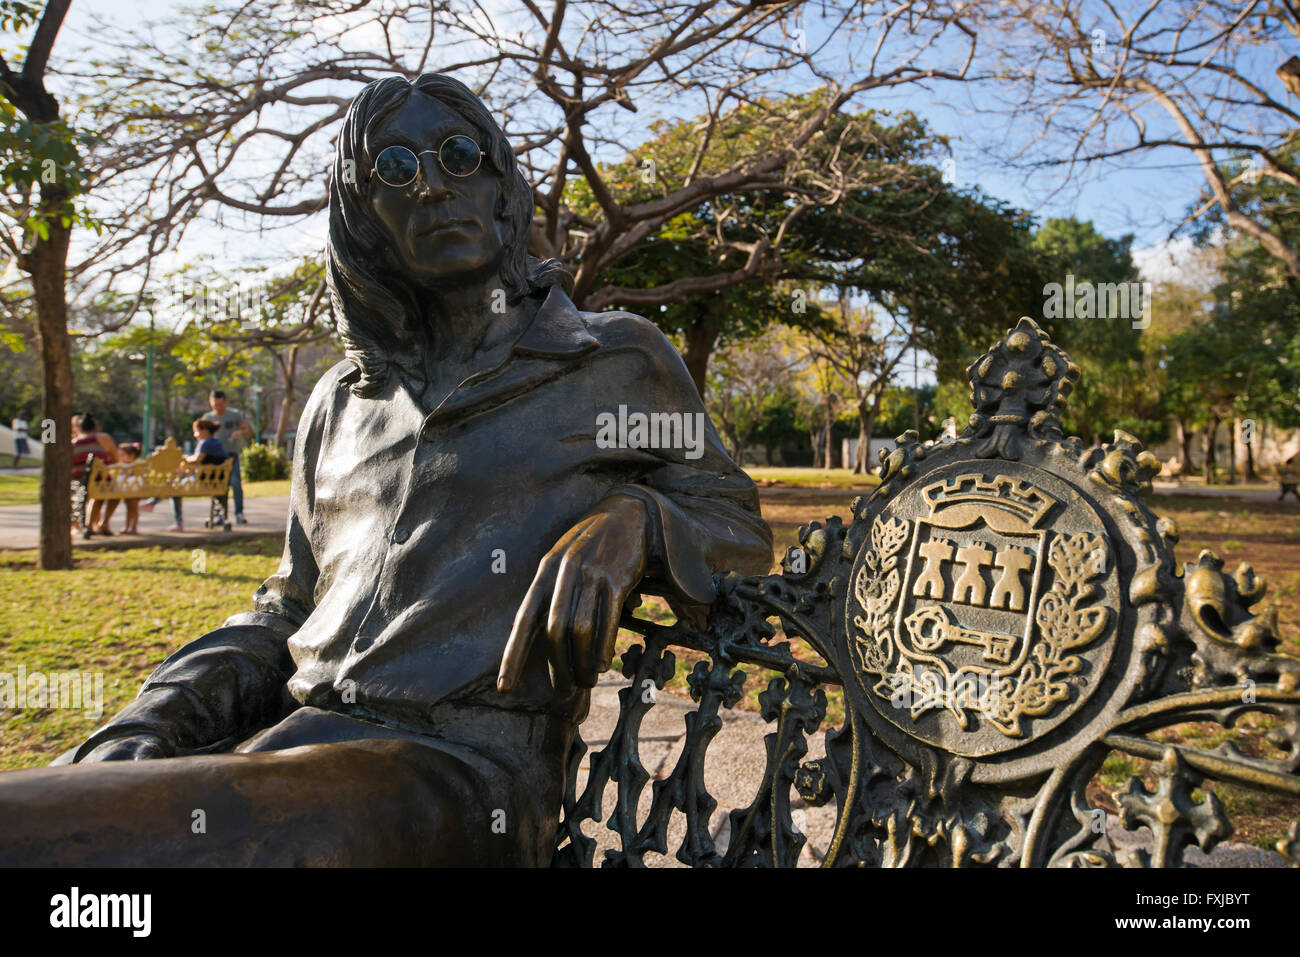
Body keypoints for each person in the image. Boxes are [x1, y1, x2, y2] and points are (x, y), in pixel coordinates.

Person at [0, 73, 772, 867]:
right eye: (394, 171)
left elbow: (737, 524)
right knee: (58, 816)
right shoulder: (337, 403)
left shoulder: (615, 359)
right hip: (287, 747)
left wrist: (638, 523)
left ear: (502, 184)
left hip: (459, 780)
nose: (433, 184)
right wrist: (147, 724)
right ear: (365, 218)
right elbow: (285, 608)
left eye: (459, 155)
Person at [167, 419, 226, 531]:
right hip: (218, 482)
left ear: (204, 431)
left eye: (196, 431)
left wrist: (184, 459)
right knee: (179, 479)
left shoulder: (204, 443)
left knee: (174, 489)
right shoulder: (218, 443)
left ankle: (178, 522)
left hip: (202, 482)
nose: (195, 435)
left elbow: (197, 459)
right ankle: (221, 517)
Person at [202, 389, 251, 524]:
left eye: (221, 404)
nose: (218, 407)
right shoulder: (208, 418)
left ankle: (239, 513)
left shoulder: (234, 414)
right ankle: (219, 515)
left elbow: (247, 430)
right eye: (215, 404)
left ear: (225, 402)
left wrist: (239, 433)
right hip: (215, 458)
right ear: (210, 402)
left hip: (231, 455)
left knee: (235, 483)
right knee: (219, 486)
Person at [70, 413, 118, 538]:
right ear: (96, 427)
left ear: (79, 428)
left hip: (78, 481)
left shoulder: (74, 443)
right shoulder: (104, 438)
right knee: (111, 493)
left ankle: (89, 525)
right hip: (101, 482)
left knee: (96, 492)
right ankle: (101, 523)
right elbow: (116, 460)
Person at [115, 442, 145, 534]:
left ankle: (134, 527)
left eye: (122, 455)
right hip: (127, 490)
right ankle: (127, 526)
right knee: (129, 509)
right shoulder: (123, 467)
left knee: (134, 508)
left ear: (131, 456)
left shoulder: (136, 466)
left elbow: (140, 478)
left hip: (134, 490)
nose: (121, 458)